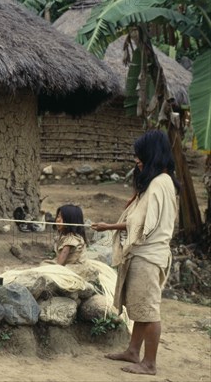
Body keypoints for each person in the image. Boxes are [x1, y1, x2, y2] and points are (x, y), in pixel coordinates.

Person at [91, 129, 179, 375]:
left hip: (149, 257)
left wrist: (109, 226)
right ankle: (133, 351)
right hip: (145, 255)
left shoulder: (161, 183)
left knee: (149, 309)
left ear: (151, 154)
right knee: (140, 306)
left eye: (140, 155)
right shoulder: (158, 182)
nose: (136, 160)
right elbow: (140, 220)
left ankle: (149, 364)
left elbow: (141, 224)